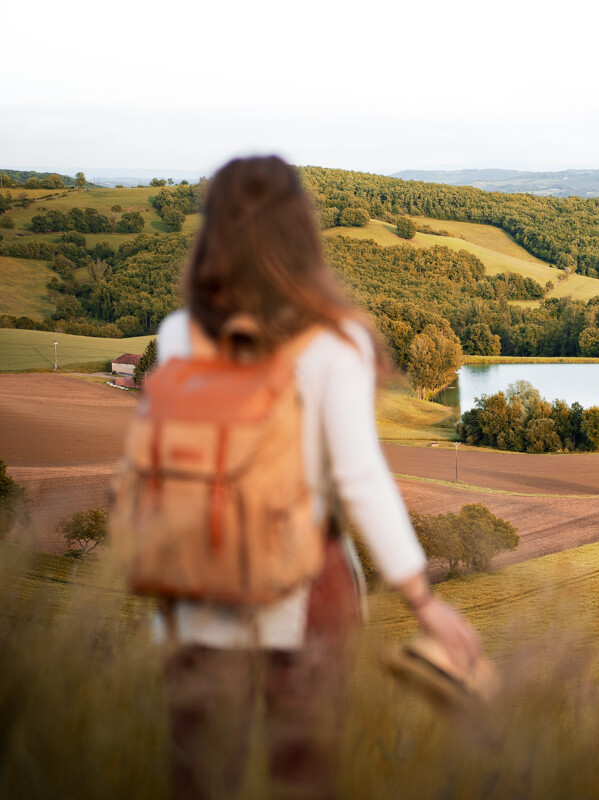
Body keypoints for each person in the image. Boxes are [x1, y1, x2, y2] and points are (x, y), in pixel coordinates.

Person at [152, 155, 481, 799]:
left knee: (200, 778)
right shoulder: (334, 344)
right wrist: (423, 600)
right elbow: (359, 477)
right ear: (301, 232)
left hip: (197, 577)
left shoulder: (177, 336)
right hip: (307, 581)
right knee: (303, 778)